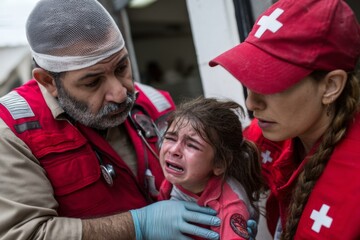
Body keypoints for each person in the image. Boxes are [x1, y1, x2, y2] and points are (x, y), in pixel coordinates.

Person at [0, 0, 221, 239]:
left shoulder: (155, 103)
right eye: (92, 82)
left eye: (121, 68)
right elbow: (25, 234)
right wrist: (137, 225)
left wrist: (227, 204)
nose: (120, 93)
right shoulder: (12, 130)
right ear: (48, 81)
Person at [209, 0, 360, 239]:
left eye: (270, 83)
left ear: (331, 86)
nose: (251, 103)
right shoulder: (278, 129)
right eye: (249, 80)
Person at [157, 97, 264, 239]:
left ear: (219, 164)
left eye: (192, 145)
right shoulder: (175, 178)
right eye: (170, 138)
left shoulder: (230, 205)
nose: (174, 150)